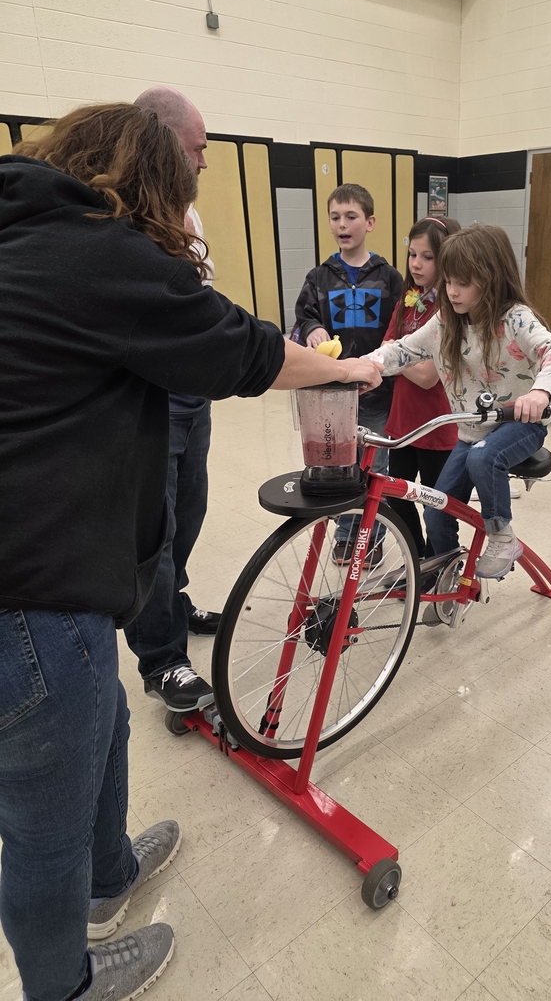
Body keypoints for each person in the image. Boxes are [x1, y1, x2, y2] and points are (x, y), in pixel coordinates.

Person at [0, 103, 382, 1001]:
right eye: (190, 175)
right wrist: (348, 371)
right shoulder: (97, 251)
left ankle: (109, 879)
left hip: (59, 587)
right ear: (153, 182)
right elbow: (237, 349)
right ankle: (65, 984)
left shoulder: (27, 232)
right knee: (38, 827)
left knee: (107, 726)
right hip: (33, 596)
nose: (195, 190)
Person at [367, 224, 551, 580]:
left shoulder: (516, 318)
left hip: (520, 425)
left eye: (464, 282)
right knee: (435, 509)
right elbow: (403, 349)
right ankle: (443, 573)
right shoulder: (447, 320)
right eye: (448, 281)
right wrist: (362, 366)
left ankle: (502, 535)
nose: (453, 291)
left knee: (484, 456)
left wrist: (540, 392)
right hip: (471, 432)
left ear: (492, 278)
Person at [123, 85, 219, 714]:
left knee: (189, 510)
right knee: (152, 530)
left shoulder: (187, 218)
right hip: (146, 397)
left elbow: (201, 299)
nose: (205, 163)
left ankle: (174, 602)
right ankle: (162, 657)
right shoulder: (117, 221)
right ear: (159, 141)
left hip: (193, 391)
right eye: (197, 149)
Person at [294, 183, 402, 565]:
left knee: (375, 467)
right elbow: (303, 318)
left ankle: (369, 537)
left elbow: (403, 327)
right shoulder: (319, 277)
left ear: (370, 222)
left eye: (351, 216)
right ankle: (345, 533)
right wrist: (311, 330)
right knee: (338, 463)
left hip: (378, 394)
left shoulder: (389, 277)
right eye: (335, 217)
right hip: (333, 394)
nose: (343, 224)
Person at [382, 216, 460, 557]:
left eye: (427, 257)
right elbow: (386, 354)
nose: (416, 263)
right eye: (413, 254)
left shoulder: (452, 310)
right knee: (395, 496)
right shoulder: (406, 301)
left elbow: (430, 377)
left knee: (436, 506)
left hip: (436, 425)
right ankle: (417, 563)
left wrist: (399, 356)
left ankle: (440, 563)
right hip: (402, 422)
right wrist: (400, 357)